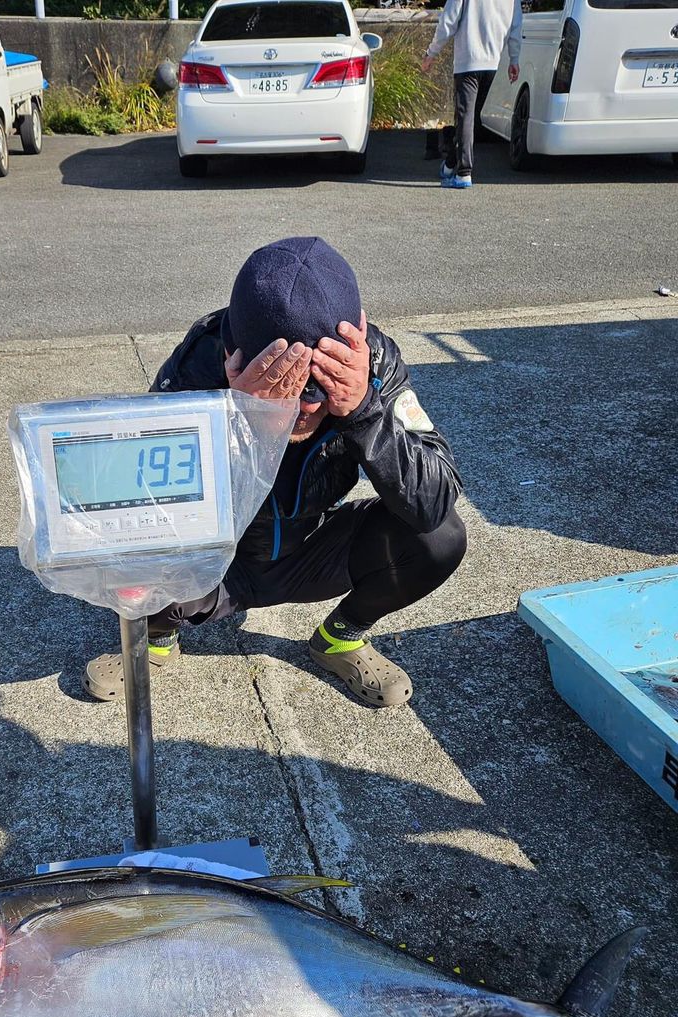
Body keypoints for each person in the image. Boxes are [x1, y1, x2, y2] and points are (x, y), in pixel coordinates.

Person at [83, 237, 467, 709]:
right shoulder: (196, 368)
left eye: (318, 388)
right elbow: (134, 504)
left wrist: (364, 410)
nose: (302, 408)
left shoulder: (373, 364)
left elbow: (435, 500)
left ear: (353, 345)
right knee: (134, 548)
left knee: (440, 537)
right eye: (281, 386)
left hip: (310, 549)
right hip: (214, 564)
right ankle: (155, 640)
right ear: (234, 356)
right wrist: (236, 419)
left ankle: (340, 638)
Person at [422, 0, 522, 188]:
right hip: (493, 62)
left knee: (465, 117)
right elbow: (515, 24)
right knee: (468, 117)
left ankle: (463, 172)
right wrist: (514, 58)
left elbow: (448, 21)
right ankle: (450, 165)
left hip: (468, 61)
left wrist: (432, 52)